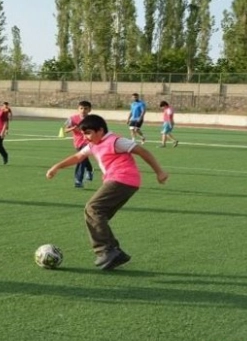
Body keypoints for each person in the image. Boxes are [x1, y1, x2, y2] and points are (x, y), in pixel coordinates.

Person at [46, 114, 168, 271]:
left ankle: (108, 251)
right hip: (124, 183)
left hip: (122, 179)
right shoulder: (92, 145)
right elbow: (78, 156)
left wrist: (159, 172)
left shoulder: (115, 141)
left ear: (100, 130)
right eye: (83, 133)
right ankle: (113, 252)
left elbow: (142, 151)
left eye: (88, 132)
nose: (85, 136)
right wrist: (57, 166)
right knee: (98, 216)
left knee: (93, 208)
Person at [64, 100, 94, 188]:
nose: (83, 110)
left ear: (89, 110)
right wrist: (72, 128)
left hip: (89, 142)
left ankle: (78, 180)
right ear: (78, 109)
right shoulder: (72, 119)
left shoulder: (92, 119)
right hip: (78, 142)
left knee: (80, 159)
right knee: (84, 158)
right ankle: (89, 169)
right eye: (81, 108)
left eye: (86, 108)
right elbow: (65, 130)